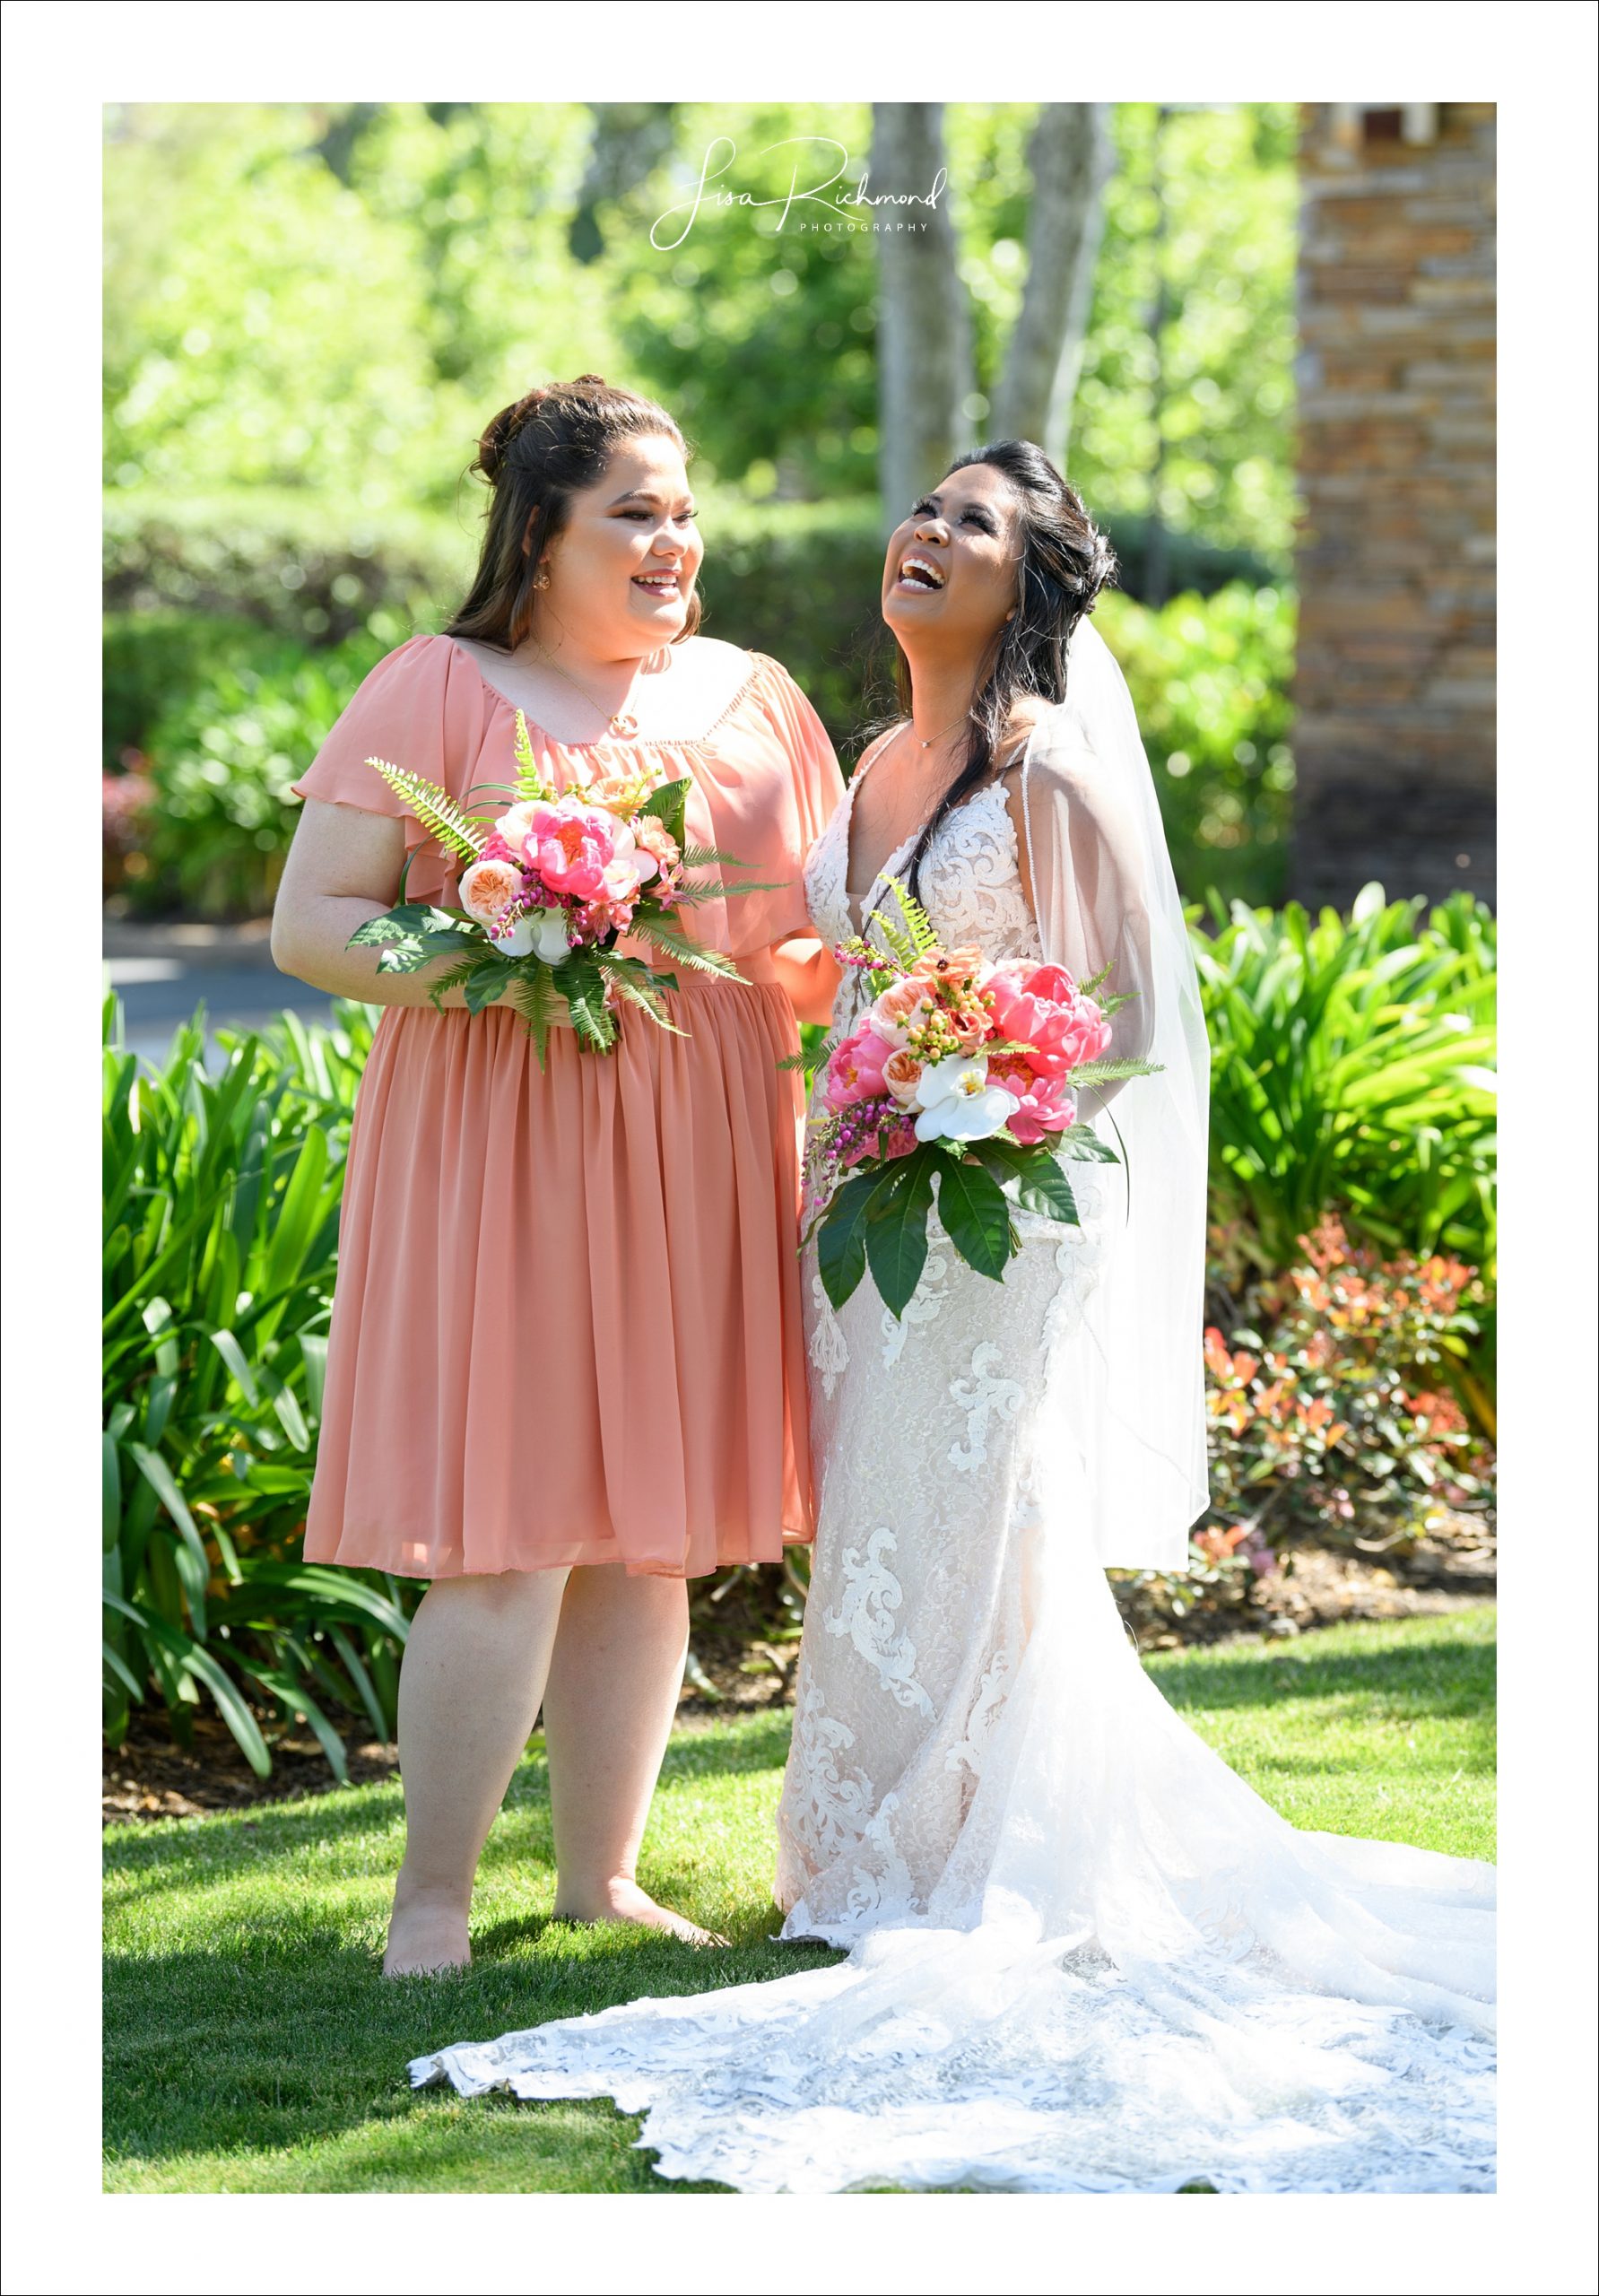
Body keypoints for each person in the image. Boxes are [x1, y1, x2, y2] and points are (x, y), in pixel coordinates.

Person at [410, 444, 1495, 2194]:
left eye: (971, 522)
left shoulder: (1043, 763)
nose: (927, 532)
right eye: (923, 508)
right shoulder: (869, 766)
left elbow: (1131, 1013)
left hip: (993, 1213)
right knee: (889, 1537)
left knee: (985, 1529)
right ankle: (870, 1861)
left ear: (1031, 580)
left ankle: (972, 1854)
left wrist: (969, 1086)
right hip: (868, 1215)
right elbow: (818, 971)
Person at [272, 375, 844, 1976]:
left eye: (683, 510)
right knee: (509, 1528)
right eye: (634, 513)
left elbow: (796, 938)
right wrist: (511, 948)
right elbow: (314, 925)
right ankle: (431, 1908)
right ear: (540, 531)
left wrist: (909, 1019)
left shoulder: (755, 698)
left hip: (705, 1142)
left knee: (644, 1533)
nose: (673, 543)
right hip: (502, 1141)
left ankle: (601, 1881)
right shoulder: (438, 687)